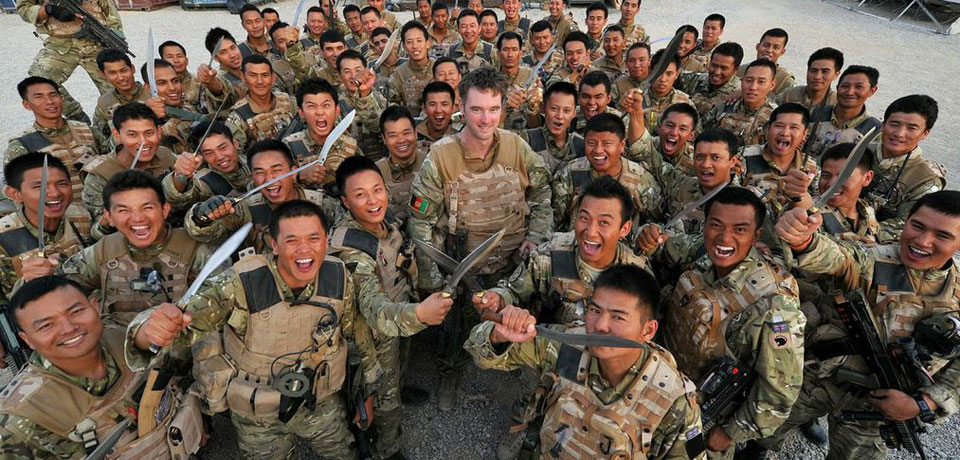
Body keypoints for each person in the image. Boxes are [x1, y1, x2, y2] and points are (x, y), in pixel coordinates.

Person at [129, 200, 380, 460]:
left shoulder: (338, 278)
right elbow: (188, 319)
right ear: (274, 244)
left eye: (313, 238)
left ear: (326, 242)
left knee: (344, 453)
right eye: (292, 240)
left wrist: (366, 393)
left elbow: (357, 338)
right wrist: (148, 330)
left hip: (319, 401)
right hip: (255, 411)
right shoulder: (240, 283)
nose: (304, 249)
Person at [772, 190, 960, 460]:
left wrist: (923, 403)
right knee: (767, 427)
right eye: (917, 226)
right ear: (906, 220)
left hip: (880, 406)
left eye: (942, 235)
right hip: (820, 377)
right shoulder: (873, 258)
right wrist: (804, 242)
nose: (922, 241)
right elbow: (837, 256)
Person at [409, 67, 552, 410]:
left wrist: (534, 237)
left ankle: (522, 378)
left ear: (503, 108)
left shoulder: (516, 147)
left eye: (493, 109)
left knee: (516, 320)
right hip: (461, 266)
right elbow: (421, 220)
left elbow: (542, 193)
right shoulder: (441, 157)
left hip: (511, 263)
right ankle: (449, 371)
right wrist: (431, 278)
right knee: (454, 327)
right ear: (462, 106)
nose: (485, 119)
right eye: (476, 109)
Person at [465, 265, 706, 460]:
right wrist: (499, 335)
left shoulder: (673, 399)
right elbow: (482, 355)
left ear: (648, 330)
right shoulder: (569, 348)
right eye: (595, 310)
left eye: (618, 317)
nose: (600, 325)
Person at [663, 186, 804, 459]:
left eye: (739, 229)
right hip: (667, 394)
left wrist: (731, 433)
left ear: (756, 235)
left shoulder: (775, 305)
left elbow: (780, 391)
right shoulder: (705, 263)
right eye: (716, 225)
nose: (724, 238)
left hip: (706, 420)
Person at [329, 156, 455, 460]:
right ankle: (387, 448)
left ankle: (396, 392)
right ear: (345, 202)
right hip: (372, 335)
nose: (373, 200)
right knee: (379, 396)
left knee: (397, 371)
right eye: (360, 195)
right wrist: (420, 314)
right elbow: (371, 307)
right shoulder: (349, 249)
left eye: (377, 190)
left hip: (401, 317)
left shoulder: (387, 223)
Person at [0, 275, 202, 458]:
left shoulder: (121, 336)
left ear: (95, 307)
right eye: (46, 326)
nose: (69, 329)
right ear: (28, 340)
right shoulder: (20, 415)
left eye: (76, 312)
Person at [57, 170, 212, 326]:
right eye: (124, 210)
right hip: (118, 344)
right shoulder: (102, 252)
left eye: (147, 208)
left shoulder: (196, 251)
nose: (138, 218)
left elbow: (222, 303)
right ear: (109, 217)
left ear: (165, 210)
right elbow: (58, 291)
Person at [185, 139, 341, 254]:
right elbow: (198, 232)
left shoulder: (324, 205)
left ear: (294, 173)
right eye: (260, 172)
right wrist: (203, 214)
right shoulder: (245, 209)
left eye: (276, 170)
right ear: (252, 177)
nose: (269, 179)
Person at [552, 113, 664, 232]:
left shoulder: (641, 179)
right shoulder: (570, 173)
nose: (598, 150)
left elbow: (657, 222)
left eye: (607, 144)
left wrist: (648, 235)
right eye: (591, 143)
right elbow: (554, 219)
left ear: (621, 145)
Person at [0, 153, 90, 299]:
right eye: (39, 186)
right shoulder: (3, 240)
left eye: (62, 184)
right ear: (15, 194)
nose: (55, 193)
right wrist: (26, 284)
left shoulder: (81, 215)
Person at [82, 102, 176, 240]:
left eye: (149, 133)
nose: (143, 142)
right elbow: (96, 234)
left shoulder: (165, 155)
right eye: (133, 135)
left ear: (159, 131)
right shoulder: (100, 175)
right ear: (117, 134)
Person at [17, 0, 121, 123]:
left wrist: (117, 38)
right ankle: (76, 117)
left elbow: (110, 10)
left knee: (117, 87)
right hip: (59, 44)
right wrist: (48, 10)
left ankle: (110, 124)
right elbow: (24, 8)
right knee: (40, 79)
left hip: (97, 41)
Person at [5, 77, 102, 206]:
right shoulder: (22, 145)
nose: (49, 101)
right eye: (39, 97)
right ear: (27, 105)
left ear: (61, 98)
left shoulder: (88, 131)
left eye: (53, 95)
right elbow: (18, 195)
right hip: (60, 218)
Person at [864, 95, 944, 223]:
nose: (899, 134)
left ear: (924, 133)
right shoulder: (857, 151)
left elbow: (908, 225)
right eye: (894, 124)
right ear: (883, 125)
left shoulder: (925, 182)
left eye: (911, 128)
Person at [739, 102, 816, 216]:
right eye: (779, 126)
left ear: (804, 134)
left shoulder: (811, 168)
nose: (785, 133)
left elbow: (816, 208)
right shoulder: (743, 156)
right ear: (769, 129)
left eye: (794, 127)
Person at [283, 78, 361, 189]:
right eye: (311, 106)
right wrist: (299, 177)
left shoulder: (351, 146)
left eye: (326, 105)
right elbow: (269, 183)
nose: (320, 112)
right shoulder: (289, 146)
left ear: (337, 110)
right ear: (301, 113)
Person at [161, 121, 251, 214]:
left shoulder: (253, 162)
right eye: (209, 153)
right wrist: (180, 176)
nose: (219, 157)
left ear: (235, 144)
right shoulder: (205, 180)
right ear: (201, 156)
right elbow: (178, 200)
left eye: (223, 148)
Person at [806, 65, 882, 158]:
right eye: (845, 86)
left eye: (859, 87)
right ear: (837, 88)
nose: (850, 92)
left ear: (872, 91)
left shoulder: (874, 130)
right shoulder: (817, 113)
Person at [223, 54, 296, 151]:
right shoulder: (238, 117)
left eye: (265, 75)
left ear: (273, 78)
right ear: (243, 77)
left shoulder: (289, 101)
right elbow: (236, 155)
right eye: (253, 75)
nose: (260, 81)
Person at [702, 58, 779, 150]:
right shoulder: (725, 106)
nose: (753, 87)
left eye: (761, 82)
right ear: (742, 81)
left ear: (771, 85)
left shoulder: (775, 118)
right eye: (749, 80)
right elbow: (700, 133)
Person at [332, 50, 389, 160]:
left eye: (358, 70)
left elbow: (379, 126)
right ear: (339, 76)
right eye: (347, 71)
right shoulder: (333, 103)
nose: (354, 76)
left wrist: (364, 93)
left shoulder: (381, 97)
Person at [376, 106, 427, 225]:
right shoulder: (376, 173)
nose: (401, 140)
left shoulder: (432, 162)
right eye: (393, 135)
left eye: (406, 133)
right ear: (384, 139)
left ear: (415, 133)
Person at [519, 81, 584, 174]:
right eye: (554, 109)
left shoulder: (581, 147)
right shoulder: (525, 140)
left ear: (574, 113)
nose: (560, 116)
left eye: (567, 110)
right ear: (543, 108)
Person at [625, 102, 699, 179]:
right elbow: (637, 143)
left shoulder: (696, 161)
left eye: (682, 129)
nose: (674, 133)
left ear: (691, 136)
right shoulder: (648, 145)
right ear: (659, 127)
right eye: (670, 125)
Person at [91, 49, 151, 141]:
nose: (120, 77)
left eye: (123, 70)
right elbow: (100, 138)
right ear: (103, 75)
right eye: (112, 73)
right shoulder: (104, 102)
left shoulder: (151, 94)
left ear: (132, 69)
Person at [142, 59, 197, 154]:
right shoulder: (137, 116)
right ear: (148, 87)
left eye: (175, 81)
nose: (172, 88)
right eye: (162, 83)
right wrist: (147, 117)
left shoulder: (194, 105)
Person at [681, 42, 743, 115]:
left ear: (735, 69)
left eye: (724, 68)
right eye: (714, 65)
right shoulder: (698, 79)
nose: (717, 72)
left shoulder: (738, 93)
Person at [640, 50, 692, 136]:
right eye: (658, 73)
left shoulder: (685, 104)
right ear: (650, 72)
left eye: (669, 74)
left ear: (677, 74)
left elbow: (693, 137)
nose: (663, 79)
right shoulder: (637, 101)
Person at [777, 47, 842, 112]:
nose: (817, 77)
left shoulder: (838, 103)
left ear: (836, 74)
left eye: (825, 71)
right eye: (813, 71)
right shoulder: (789, 95)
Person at [391, 21, 436, 116]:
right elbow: (391, 105)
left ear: (427, 43)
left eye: (419, 41)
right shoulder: (399, 73)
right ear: (404, 47)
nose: (415, 46)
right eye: (410, 42)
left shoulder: (439, 68)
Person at [498, 32, 541, 131]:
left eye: (514, 50)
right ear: (498, 54)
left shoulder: (530, 75)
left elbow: (536, 127)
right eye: (505, 50)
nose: (510, 55)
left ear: (520, 54)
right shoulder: (490, 79)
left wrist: (533, 106)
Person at [737, 28, 796, 96]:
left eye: (776, 47)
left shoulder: (785, 79)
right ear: (758, 47)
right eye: (766, 45)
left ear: (782, 52)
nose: (769, 50)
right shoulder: (740, 71)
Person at [417, 80, 460, 154]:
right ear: (424, 108)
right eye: (432, 104)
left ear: (453, 108)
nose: (438, 110)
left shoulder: (462, 136)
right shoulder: (413, 134)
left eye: (444, 104)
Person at [160, 40, 201, 108]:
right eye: (170, 57)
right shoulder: (156, 86)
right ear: (162, 61)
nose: (176, 60)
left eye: (179, 56)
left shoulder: (200, 83)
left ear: (187, 60)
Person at [610, 42, 650, 107]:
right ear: (626, 64)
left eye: (641, 60)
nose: (636, 65)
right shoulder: (618, 85)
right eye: (632, 60)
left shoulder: (657, 82)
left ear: (649, 61)